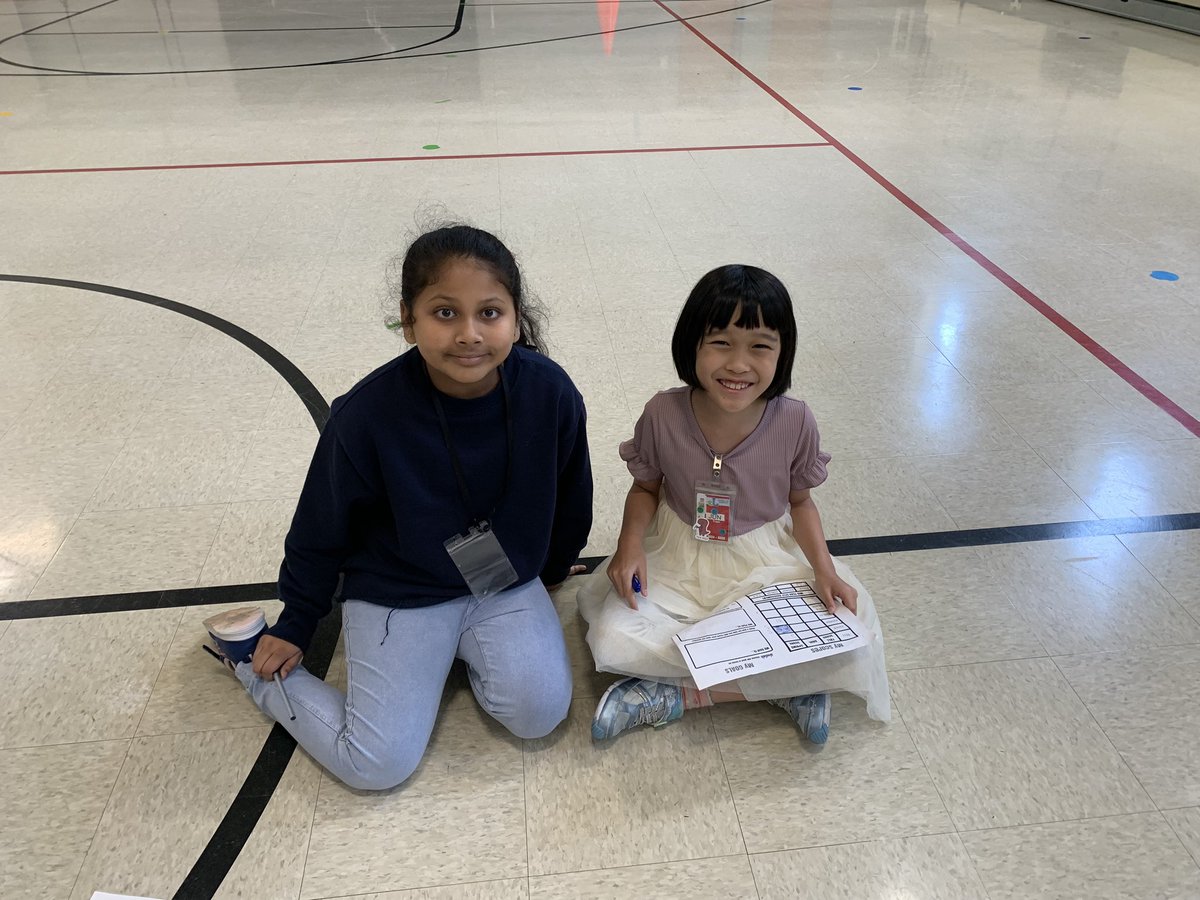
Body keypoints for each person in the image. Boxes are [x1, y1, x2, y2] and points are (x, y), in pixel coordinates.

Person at [202, 224, 592, 790]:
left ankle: (457, 653)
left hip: (499, 580)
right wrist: (296, 623)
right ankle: (245, 663)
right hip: (399, 587)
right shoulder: (365, 415)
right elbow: (319, 527)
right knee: (377, 765)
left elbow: (573, 491)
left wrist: (553, 567)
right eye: (444, 313)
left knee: (539, 715)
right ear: (408, 321)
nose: (469, 334)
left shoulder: (549, 392)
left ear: (515, 318)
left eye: (489, 313)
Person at [577, 264, 888, 744]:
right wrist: (629, 545)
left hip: (766, 557)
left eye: (760, 346)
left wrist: (824, 569)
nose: (739, 365)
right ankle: (783, 684)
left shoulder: (795, 421)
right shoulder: (663, 412)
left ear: (783, 353)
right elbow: (645, 489)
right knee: (611, 637)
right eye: (720, 342)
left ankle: (679, 694)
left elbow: (801, 504)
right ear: (692, 345)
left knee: (856, 631)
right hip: (678, 552)